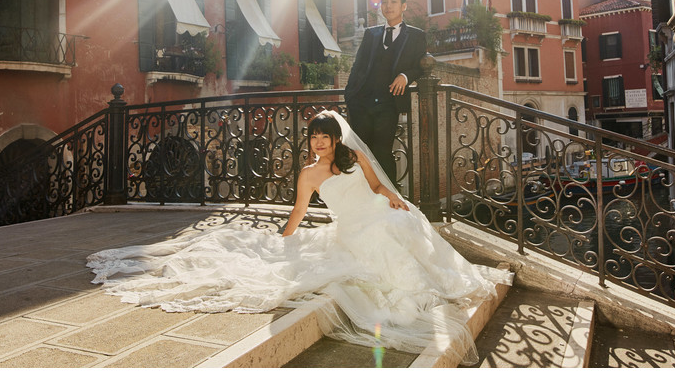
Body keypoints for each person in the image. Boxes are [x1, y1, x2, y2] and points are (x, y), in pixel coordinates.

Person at [87, 111, 511, 363]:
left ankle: (436, 271)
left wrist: (393, 199)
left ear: (337, 138)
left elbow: (378, 186)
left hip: (376, 211)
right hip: (353, 228)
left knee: (405, 219)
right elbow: (299, 212)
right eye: (315, 136)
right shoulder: (308, 173)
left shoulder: (355, 157)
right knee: (380, 238)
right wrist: (284, 238)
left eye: (326, 136)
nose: (319, 142)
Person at [344, 0, 427, 183]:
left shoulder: (416, 36)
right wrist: (350, 94)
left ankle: (390, 201)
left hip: (389, 104)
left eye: (393, 2)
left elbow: (421, 66)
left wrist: (405, 76)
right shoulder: (370, 34)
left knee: (382, 152)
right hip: (361, 102)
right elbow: (358, 66)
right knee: (361, 154)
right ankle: (365, 201)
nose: (388, 6)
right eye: (384, 2)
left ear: (403, 6)